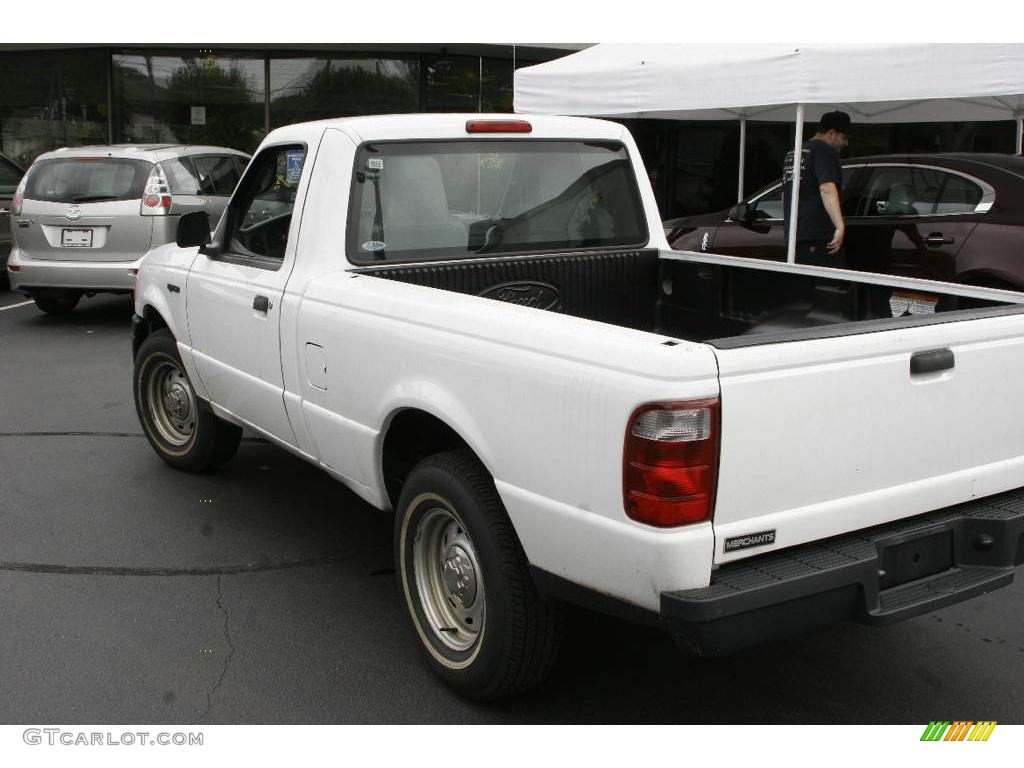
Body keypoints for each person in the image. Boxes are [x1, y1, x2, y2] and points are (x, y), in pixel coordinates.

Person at [782, 110, 851, 267]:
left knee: (803, 287)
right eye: (844, 138)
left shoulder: (793, 153)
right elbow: (827, 188)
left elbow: (784, 196)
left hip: (794, 236)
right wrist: (840, 226)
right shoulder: (825, 151)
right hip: (818, 236)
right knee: (829, 287)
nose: (846, 144)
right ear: (832, 133)